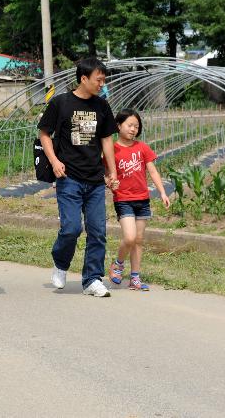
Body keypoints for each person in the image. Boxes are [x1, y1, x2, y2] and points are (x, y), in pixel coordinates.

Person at [38, 57, 118, 297]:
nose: (102, 85)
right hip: (69, 177)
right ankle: (61, 263)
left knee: (97, 231)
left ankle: (92, 279)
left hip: (94, 178)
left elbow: (106, 140)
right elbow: (44, 134)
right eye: (98, 80)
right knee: (72, 228)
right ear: (84, 78)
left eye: (104, 80)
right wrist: (54, 161)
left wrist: (111, 170)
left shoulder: (102, 106)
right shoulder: (60, 103)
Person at [107, 109, 170, 292]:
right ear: (119, 126)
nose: (133, 129)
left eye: (136, 126)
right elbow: (105, 174)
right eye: (129, 125)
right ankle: (118, 264)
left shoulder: (142, 148)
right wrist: (109, 182)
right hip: (123, 199)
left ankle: (135, 277)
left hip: (142, 199)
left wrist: (163, 193)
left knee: (139, 239)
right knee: (129, 237)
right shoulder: (112, 149)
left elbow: (152, 171)